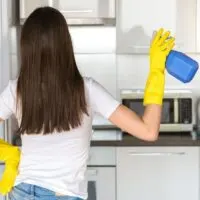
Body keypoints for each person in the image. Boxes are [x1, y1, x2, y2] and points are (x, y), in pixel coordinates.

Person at [0, 6, 175, 200]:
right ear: (66, 44)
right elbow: (148, 131)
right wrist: (156, 71)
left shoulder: (15, 90)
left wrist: (9, 154)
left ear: (26, 47)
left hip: (21, 192)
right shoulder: (87, 90)